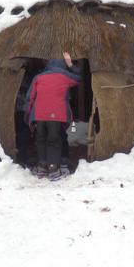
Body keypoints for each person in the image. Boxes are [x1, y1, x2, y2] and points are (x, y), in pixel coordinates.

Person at [26, 52, 81, 180]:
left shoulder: (38, 77)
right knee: (54, 140)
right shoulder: (65, 76)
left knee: (40, 139)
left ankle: (42, 167)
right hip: (56, 115)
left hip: (39, 115)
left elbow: (30, 97)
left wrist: (28, 113)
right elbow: (79, 77)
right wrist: (70, 64)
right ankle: (53, 169)